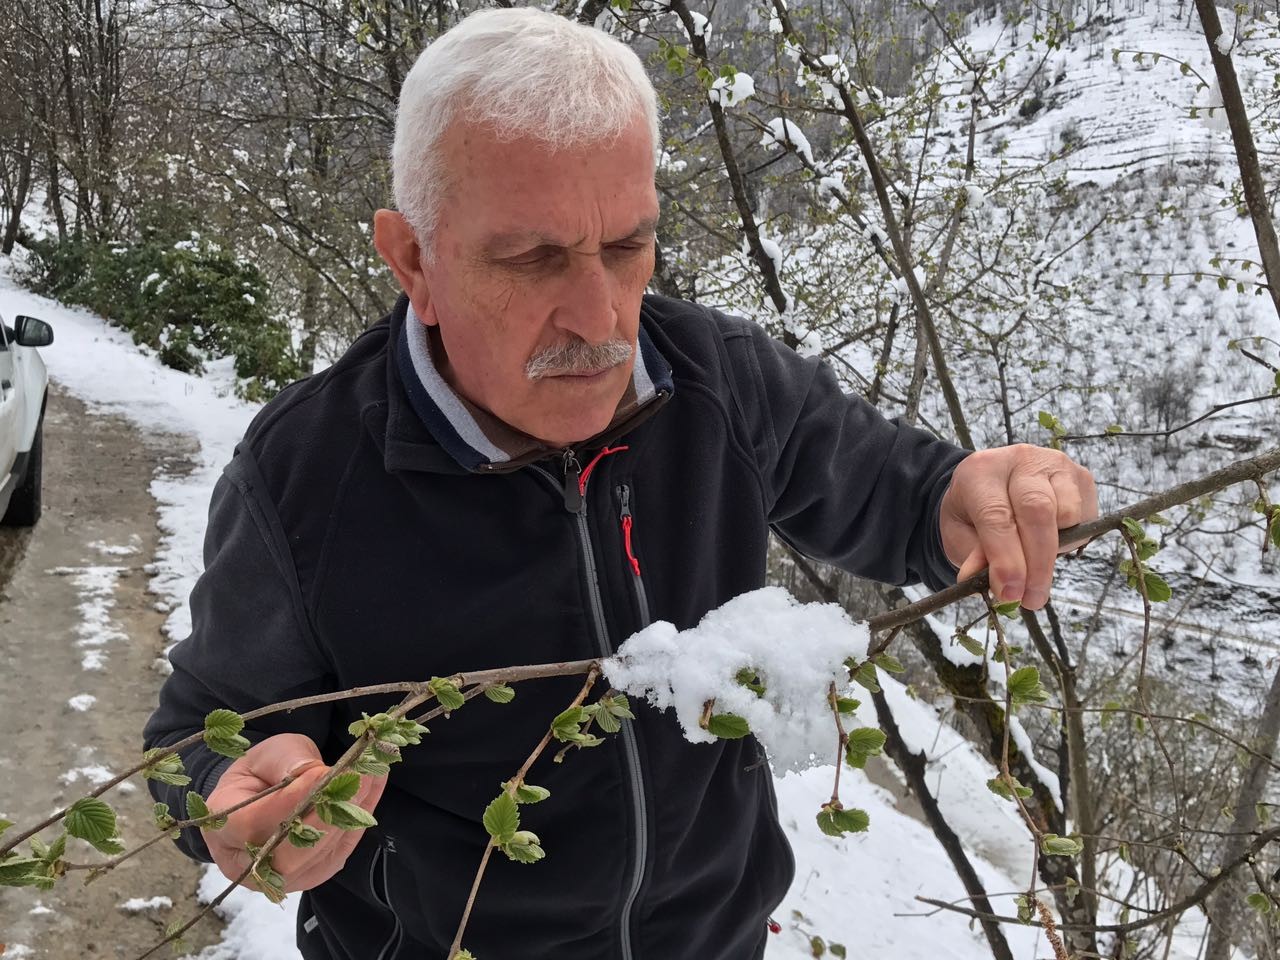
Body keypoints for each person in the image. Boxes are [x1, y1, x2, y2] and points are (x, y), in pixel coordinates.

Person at [143, 8, 1097, 960]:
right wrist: (235, 805)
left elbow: (897, 495)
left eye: (628, 246)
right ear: (413, 260)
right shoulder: (307, 474)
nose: (600, 316)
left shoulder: (719, 381)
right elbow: (203, 736)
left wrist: (977, 496)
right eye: (533, 257)